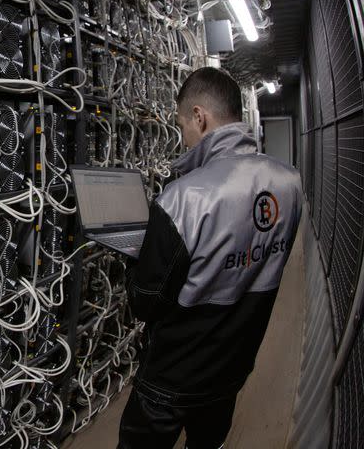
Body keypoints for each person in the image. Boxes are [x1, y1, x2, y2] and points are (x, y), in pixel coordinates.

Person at [118, 67, 302, 449]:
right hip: (231, 372)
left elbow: (146, 303)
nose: (183, 139)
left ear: (200, 117)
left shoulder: (185, 198)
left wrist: (135, 258)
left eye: (182, 125)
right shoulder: (290, 183)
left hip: (171, 379)